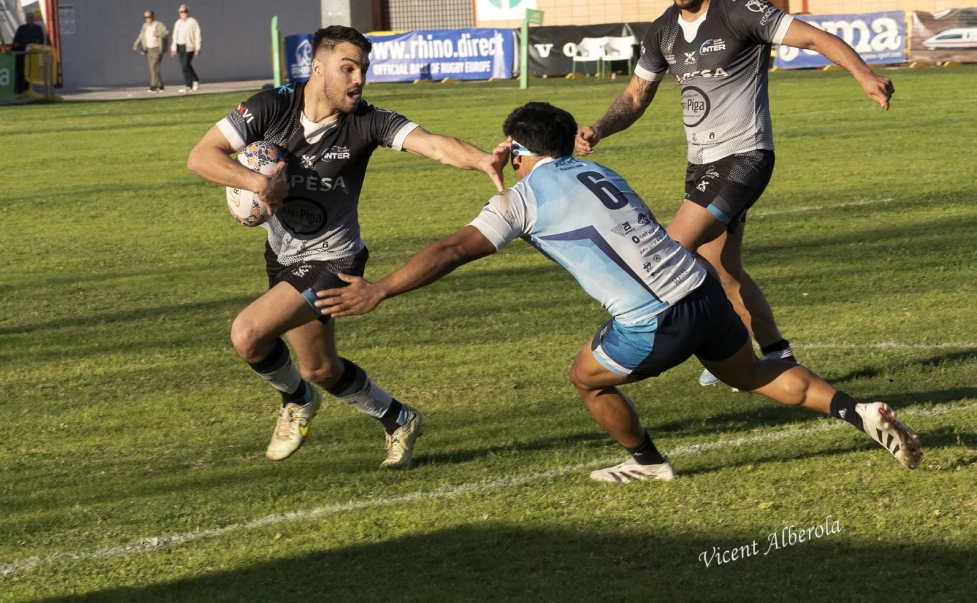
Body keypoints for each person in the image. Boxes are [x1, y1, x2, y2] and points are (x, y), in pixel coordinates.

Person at [314, 102, 921, 483]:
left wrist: (380, 291)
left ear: (521, 151)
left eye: (510, 148)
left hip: (653, 318)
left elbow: (451, 250)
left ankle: (649, 463)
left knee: (585, 378)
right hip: (700, 290)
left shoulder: (521, 198)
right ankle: (858, 411)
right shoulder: (601, 170)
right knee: (756, 374)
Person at [574, 0, 895, 388]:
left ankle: (714, 351)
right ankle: (779, 355)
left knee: (668, 251)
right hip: (702, 165)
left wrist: (864, 75)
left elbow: (817, 38)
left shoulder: (741, 11)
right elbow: (636, 94)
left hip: (744, 156)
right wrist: (601, 127)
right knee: (724, 271)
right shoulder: (663, 29)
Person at [186, 25, 506, 468]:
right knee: (320, 368)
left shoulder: (367, 121)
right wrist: (257, 182)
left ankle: (296, 399)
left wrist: (480, 159)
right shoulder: (271, 106)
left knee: (248, 334)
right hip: (282, 256)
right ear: (317, 69)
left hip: (334, 259)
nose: (358, 79)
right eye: (348, 68)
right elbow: (201, 155)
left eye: (363, 69)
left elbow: (432, 145)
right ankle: (399, 418)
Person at [132, 10, 169, 92]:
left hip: (157, 49)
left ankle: (153, 85)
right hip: (148, 49)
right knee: (154, 68)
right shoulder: (145, 26)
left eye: (149, 17)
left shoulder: (159, 25)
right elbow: (141, 36)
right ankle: (160, 85)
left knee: (153, 67)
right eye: (145, 17)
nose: (147, 19)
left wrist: (158, 34)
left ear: (153, 16)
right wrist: (136, 43)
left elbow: (167, 33)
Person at [11, 11, 46, 95]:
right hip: (22, 54)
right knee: (21, 72)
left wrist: (36, 47)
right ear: (26, 19)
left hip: (33, 54)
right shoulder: (21, 28)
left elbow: (41, 40)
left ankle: (29, 90)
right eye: (29, 17)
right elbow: (15, 41)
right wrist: (22, 47)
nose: (31, 19)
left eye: (33, 17)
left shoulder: (38, 28)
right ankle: (20, 91)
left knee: (31, 72)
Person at [172, 4, 202, 93]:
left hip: (189, 47)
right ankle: (188, 85)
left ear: (187, 12)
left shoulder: (192, 22)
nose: (183, 13)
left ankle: (195, 80)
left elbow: (197, 34)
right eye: (181, 12)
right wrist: (173, 48)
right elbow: (174, 36)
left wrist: (198, 47)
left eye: (185, 11)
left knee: (186, 64)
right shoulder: (178, 23)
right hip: (180, 46)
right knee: (184, 66)